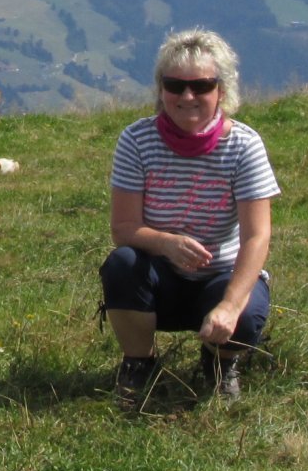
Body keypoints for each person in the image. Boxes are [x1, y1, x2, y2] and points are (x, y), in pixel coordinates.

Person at [101, 27, 279, 410]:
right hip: (159, 278)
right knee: (122, 265)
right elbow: (123, 230)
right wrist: (166, 242)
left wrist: (231, 305)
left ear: (222, 92)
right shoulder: (136, 140)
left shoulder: (245, 145)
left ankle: (221, 363)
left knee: (246, 312)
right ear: (160, 89)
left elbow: (256, 237)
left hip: (221, 276)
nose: (187, 96)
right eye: (175, 85)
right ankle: (139, 362)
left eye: (201, 86)